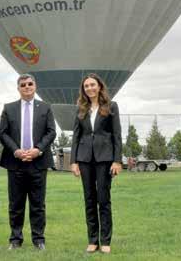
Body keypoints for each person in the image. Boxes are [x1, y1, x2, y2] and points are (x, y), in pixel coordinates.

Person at [0, 74, 56, 250]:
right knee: (15, 204)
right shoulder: (9, 108)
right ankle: (15, 240)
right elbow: (3, 133)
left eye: (30, 84)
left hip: (38, 162)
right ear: (18, 88)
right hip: (15, 163)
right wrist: (16, 151)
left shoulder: (45, 107)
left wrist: (38, 150)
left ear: (35, 86)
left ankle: (39, 239)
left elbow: (51, 132)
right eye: (23, 85)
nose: (27, 87)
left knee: (38, 204)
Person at [70, 73, 122, 254]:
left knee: (103, 199)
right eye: (86, 86)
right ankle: (93, 240)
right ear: (83, 90)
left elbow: (116, 135)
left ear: (99, 86)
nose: (90, 88)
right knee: (89, 200)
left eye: (92, 85)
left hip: (105, 159)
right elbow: (76, 136)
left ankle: (105, 241)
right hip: (84, 159)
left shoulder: (111, 106)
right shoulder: (80, 108)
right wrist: (73, 162)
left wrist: (117, 160)